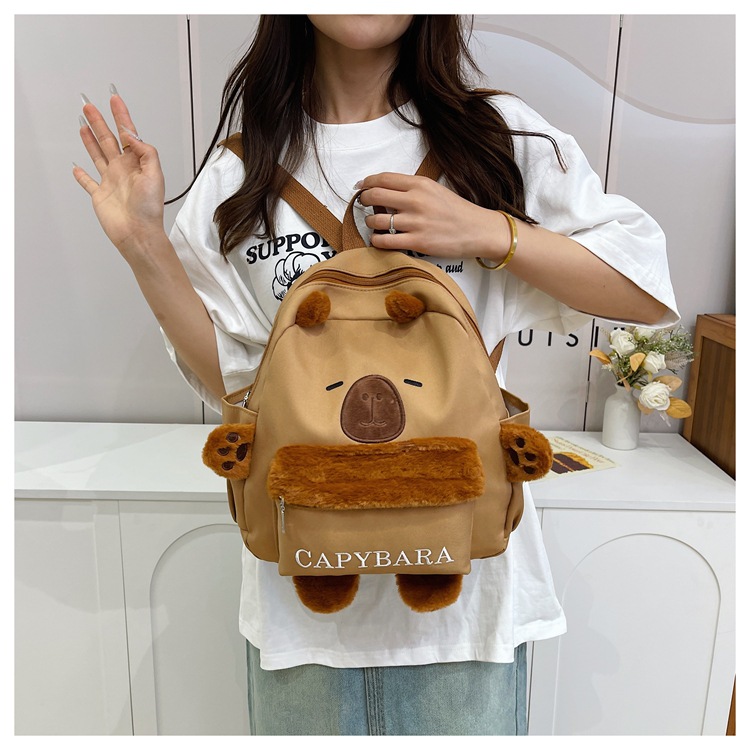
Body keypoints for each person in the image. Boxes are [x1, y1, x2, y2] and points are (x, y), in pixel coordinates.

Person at [74, 15, 678, 736]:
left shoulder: (495, 139)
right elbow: (238, 388)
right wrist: (143, 243)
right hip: (302, 612)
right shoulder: (241, 171)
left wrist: (487, 231)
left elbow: (644, 290)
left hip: (468, 616)